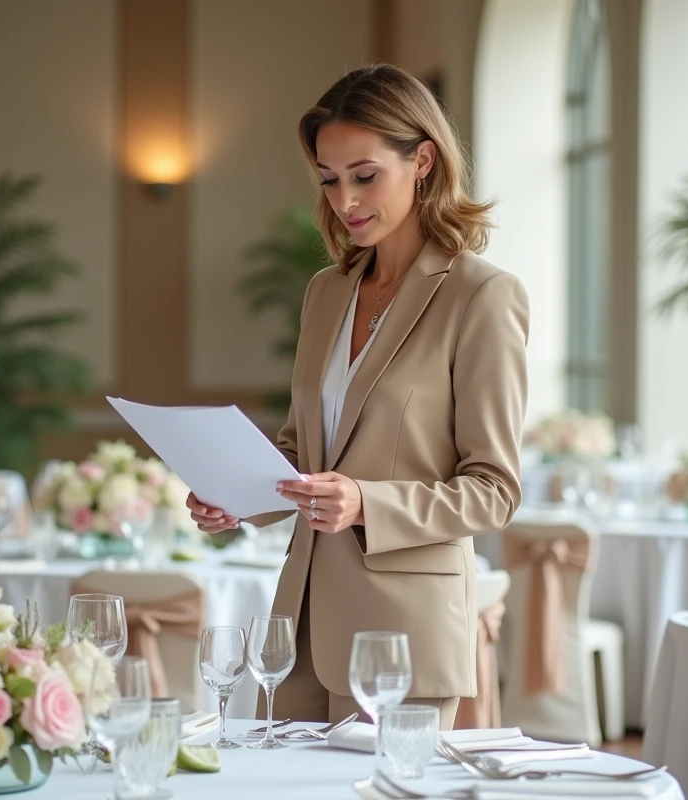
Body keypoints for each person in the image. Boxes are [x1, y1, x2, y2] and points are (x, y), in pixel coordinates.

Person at [186, 63, 529, 730]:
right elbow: (302, 447)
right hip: (299, 628)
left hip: (401, 638)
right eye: (329, 179)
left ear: (422, 160)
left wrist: (366, 501)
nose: (345, 199)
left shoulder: (481, 296)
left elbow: (494, 489)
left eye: (365, 175)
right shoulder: (326, 293)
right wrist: (238, 497)